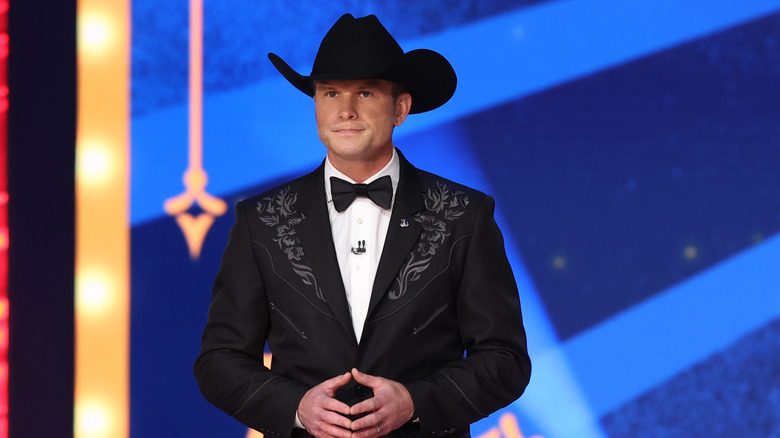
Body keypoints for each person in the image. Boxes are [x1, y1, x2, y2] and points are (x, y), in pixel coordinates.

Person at [194, 13, 531, 438]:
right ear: (316, 104)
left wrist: (415, 402)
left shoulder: (464, 213)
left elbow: (505, 358)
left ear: (400, 108)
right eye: (331, 92)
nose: (346, 111)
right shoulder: (260, 219)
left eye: (366, 93)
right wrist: (296, 408)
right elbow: (219, 359)